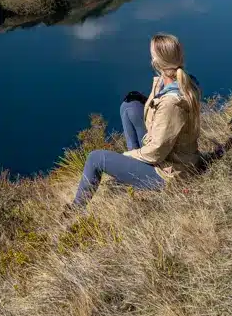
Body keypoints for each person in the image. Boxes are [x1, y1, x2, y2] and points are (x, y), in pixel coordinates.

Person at [71, 33, 202, 208]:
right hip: (168, 156)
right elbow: (165, 120)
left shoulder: (172, 102)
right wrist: (143, 100)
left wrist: (127, 156)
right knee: (129, 107)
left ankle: (75, 210)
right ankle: (133, 174)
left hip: (170, 173)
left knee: (95, 158)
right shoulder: (180, 81)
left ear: (156, 61)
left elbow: (156, 152)